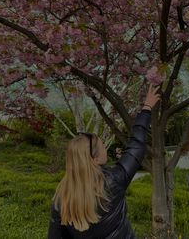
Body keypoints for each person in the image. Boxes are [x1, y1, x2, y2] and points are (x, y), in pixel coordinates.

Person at [47, 84, 160, 239]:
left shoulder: (61, 197)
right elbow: (136, 146)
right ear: (95, 159)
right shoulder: (114, 180)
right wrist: (147, 108)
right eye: (102, 147)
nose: (105, 148)